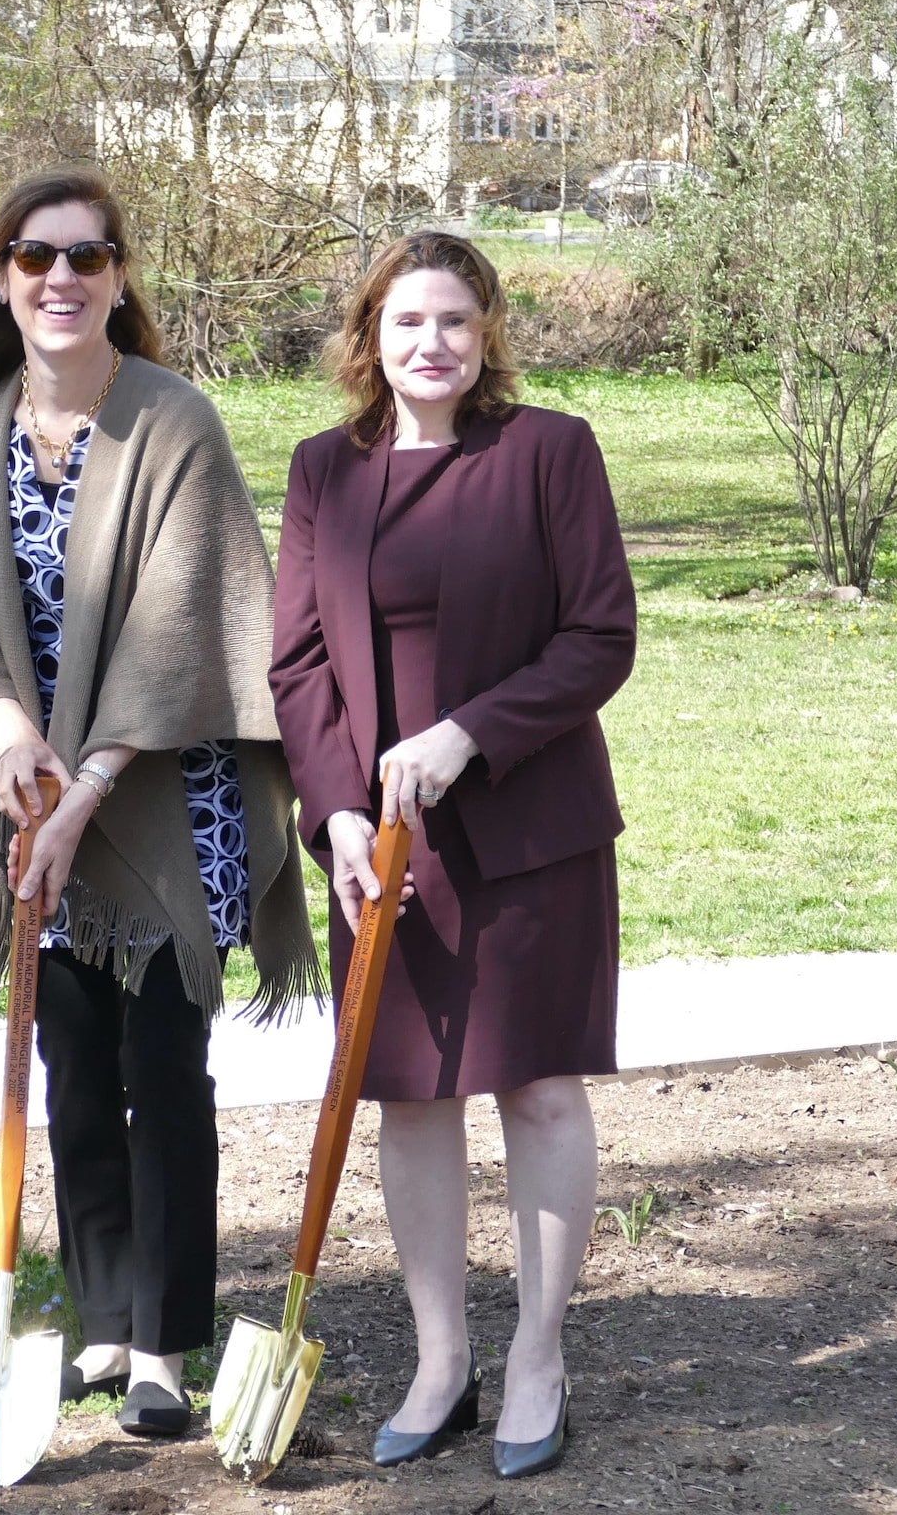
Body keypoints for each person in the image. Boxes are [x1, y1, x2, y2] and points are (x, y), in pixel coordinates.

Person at [0, 168, 319, 1441]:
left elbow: (178, 631)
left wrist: (88, 782)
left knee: (161, 1066)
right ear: (3, 276)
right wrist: (9, 729)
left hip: (161, 796)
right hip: (35, 788)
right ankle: (94, 1320)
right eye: (36, 258)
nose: (63, 280)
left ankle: (161, 1342)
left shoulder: (171, 422)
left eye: (89, 258)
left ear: (122, 276)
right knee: (70, 1061)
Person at [268, 228, 635, 1480]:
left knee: (536, 1087)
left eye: (455, 324)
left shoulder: (548, 453)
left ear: (486, 340)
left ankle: (538, 1354)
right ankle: (442, 1357)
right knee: (411, 1098)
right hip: (385, 852)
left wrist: (467, 738)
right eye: (406, 322)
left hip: (530, 831)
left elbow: (599, 639)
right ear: (370, 337)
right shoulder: (324, 473)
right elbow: (298, 666)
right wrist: (332, 822)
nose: (430, 344)